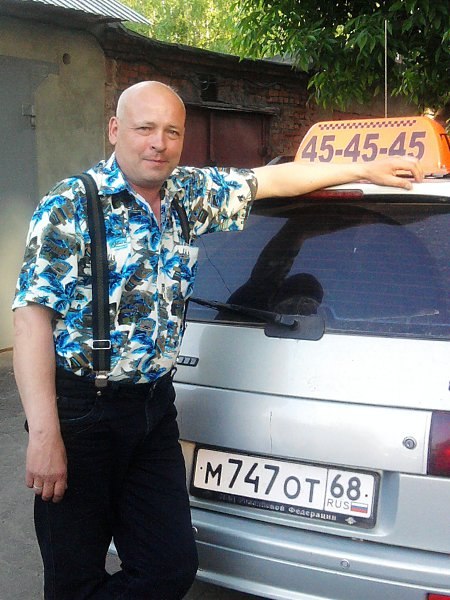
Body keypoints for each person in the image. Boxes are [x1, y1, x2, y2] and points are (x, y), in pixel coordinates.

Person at [12, 80, 423, 600]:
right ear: (114, 130)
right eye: (145, 128)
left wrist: (364, 169)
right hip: (81, 413)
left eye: (172, 132)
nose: (159, 143)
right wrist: (44, 434)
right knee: (74, 578)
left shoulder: (186, 194)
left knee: (169, 568)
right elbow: (31, 321)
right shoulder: (69, 205)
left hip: (153, 408)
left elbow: (272, 180)